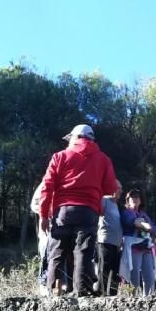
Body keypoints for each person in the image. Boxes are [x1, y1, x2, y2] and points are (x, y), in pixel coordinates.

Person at [39, 124, 120, 297]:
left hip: (63, 211)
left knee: (57, 250)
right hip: (89, 211)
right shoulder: (104, 159)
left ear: (75, 137)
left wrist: (43, 215)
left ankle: (52, 291)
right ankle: (82, 292)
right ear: (91, 139)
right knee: (83, 252)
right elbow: (111, 188)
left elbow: (47, 187)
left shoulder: (59, 156)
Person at [119, 189, 156, 296]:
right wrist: (145, 226)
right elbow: (130, 222)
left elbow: (155, 229)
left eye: (137, 197)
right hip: (133, 248)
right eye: (132, 197)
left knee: (150, 277)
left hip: (146, 248)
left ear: (140, 200)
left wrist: (150, 228)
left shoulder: (143, 214)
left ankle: (149, 301)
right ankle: (133, 301)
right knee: (134, 276)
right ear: (128, 200)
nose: (134, 199)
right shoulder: (126, 212)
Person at [96, 193, 123, 296]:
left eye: (121, 189)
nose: (121, 191)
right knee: (104, 269)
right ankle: (101, 296)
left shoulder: (116, 204)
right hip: (105, 240)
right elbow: (97, 213)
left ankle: (112, 295)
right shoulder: (104, 200)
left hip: (116, 243)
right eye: (118, 189)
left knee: (115, 271)